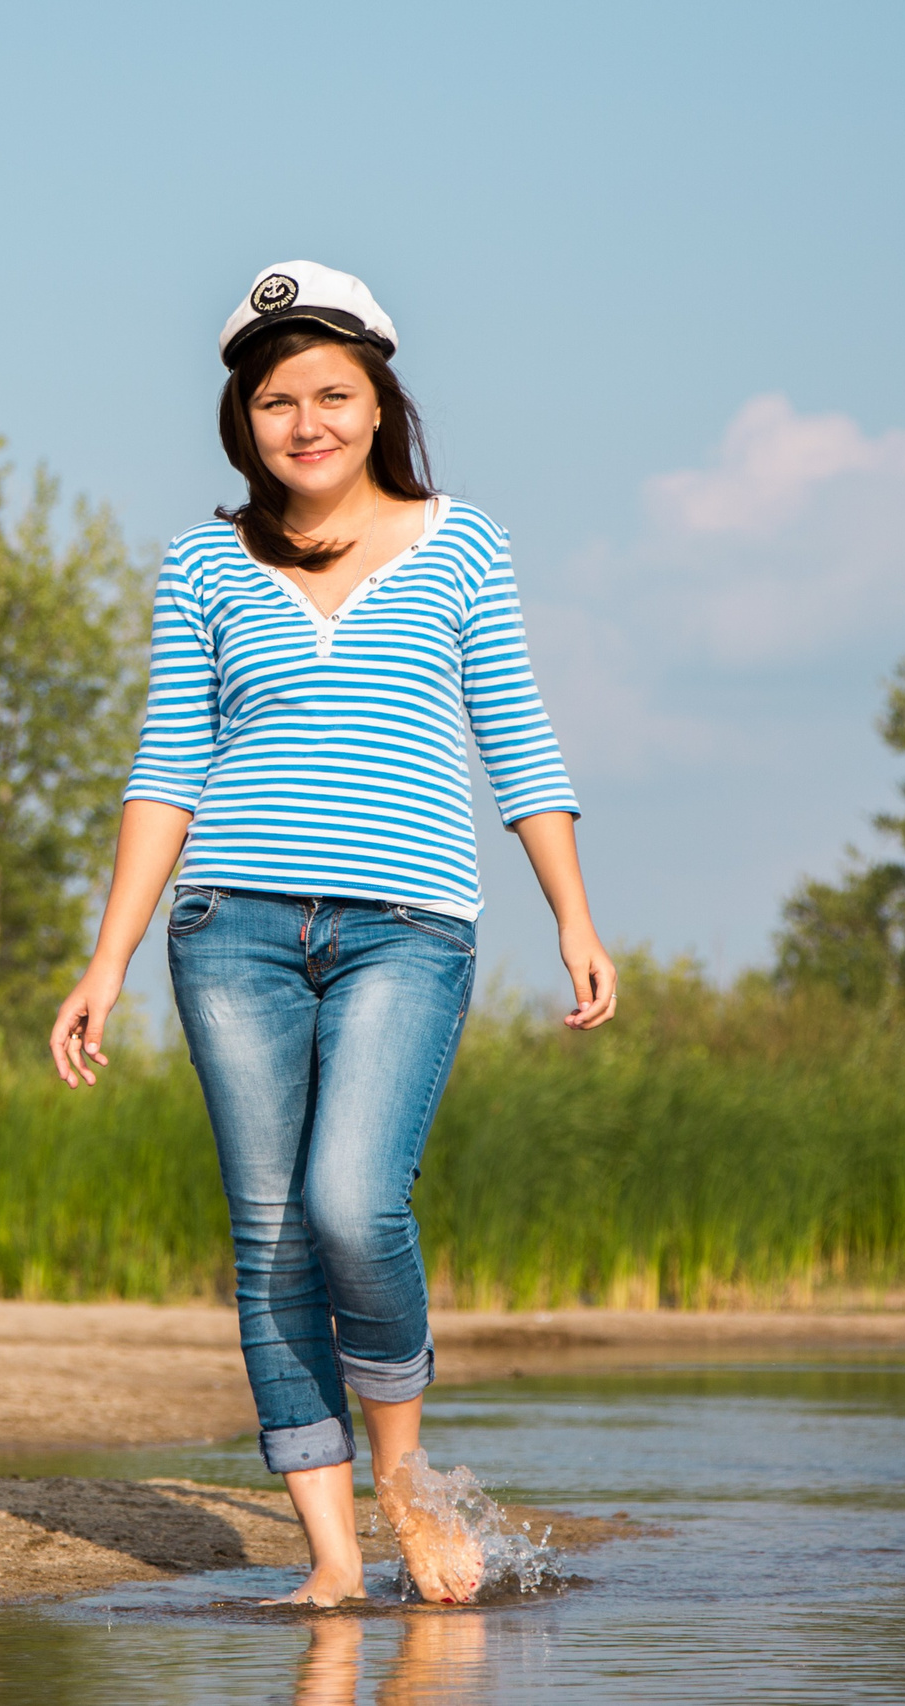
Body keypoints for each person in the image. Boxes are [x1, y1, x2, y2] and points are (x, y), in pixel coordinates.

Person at [49, 261, 617, 1607]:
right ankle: (331, 1560)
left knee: (353, 1206)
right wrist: (105, 958)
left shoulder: (462, 544)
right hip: (228, 926)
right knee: (270, 1236)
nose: (304, 423)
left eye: (332, 396)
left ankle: (406, 1480)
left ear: (379, 406)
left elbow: (515, 735)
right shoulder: (203, 562)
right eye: (275, 402)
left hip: (410, 925)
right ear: (242, 420)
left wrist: (575, 918)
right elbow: (166, 770)